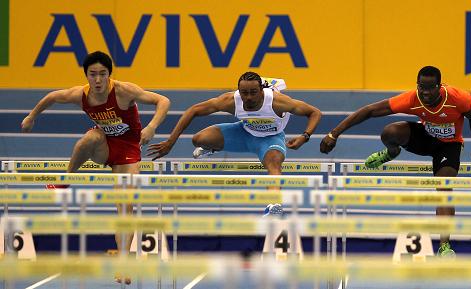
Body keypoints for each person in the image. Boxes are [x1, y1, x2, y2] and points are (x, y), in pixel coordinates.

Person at [21, 51, 171, 284]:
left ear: (109, 75)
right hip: (105, 145)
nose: (98, 79)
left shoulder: (123, 90)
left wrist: (151, 127)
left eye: (103, 74)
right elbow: (51, 97)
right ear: (87, 76)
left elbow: (163, 101)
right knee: (87, 140)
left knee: (125, 207)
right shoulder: (80, 95)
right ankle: (66, 179)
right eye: (93, 74)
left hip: (129, 150)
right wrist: (31, 116)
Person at [320, 66, 471, 257]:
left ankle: (444, 246)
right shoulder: (412, 98)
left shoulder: (459, 98)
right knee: (390, 132)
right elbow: (369, 110)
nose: (425, 92)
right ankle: (392, 152)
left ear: (440, 86)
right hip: (425, 138)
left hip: (449, 145)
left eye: (430, 88)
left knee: (444, 188)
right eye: (421, 87)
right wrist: (334, 133)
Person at [147, 71, 321, 176]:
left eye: (254, 92)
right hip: (243, 133)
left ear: (262, 90)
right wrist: (171, 142)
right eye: (244, 93)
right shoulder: (230, 100)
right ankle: (212, 148)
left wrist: (305, 137)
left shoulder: (278, 102)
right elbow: (193, 110)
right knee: (199, 139)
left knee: (274, 165)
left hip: (271, 138)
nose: (249, 97)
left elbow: (315, 112)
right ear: (239, 91)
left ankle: (274, 204)